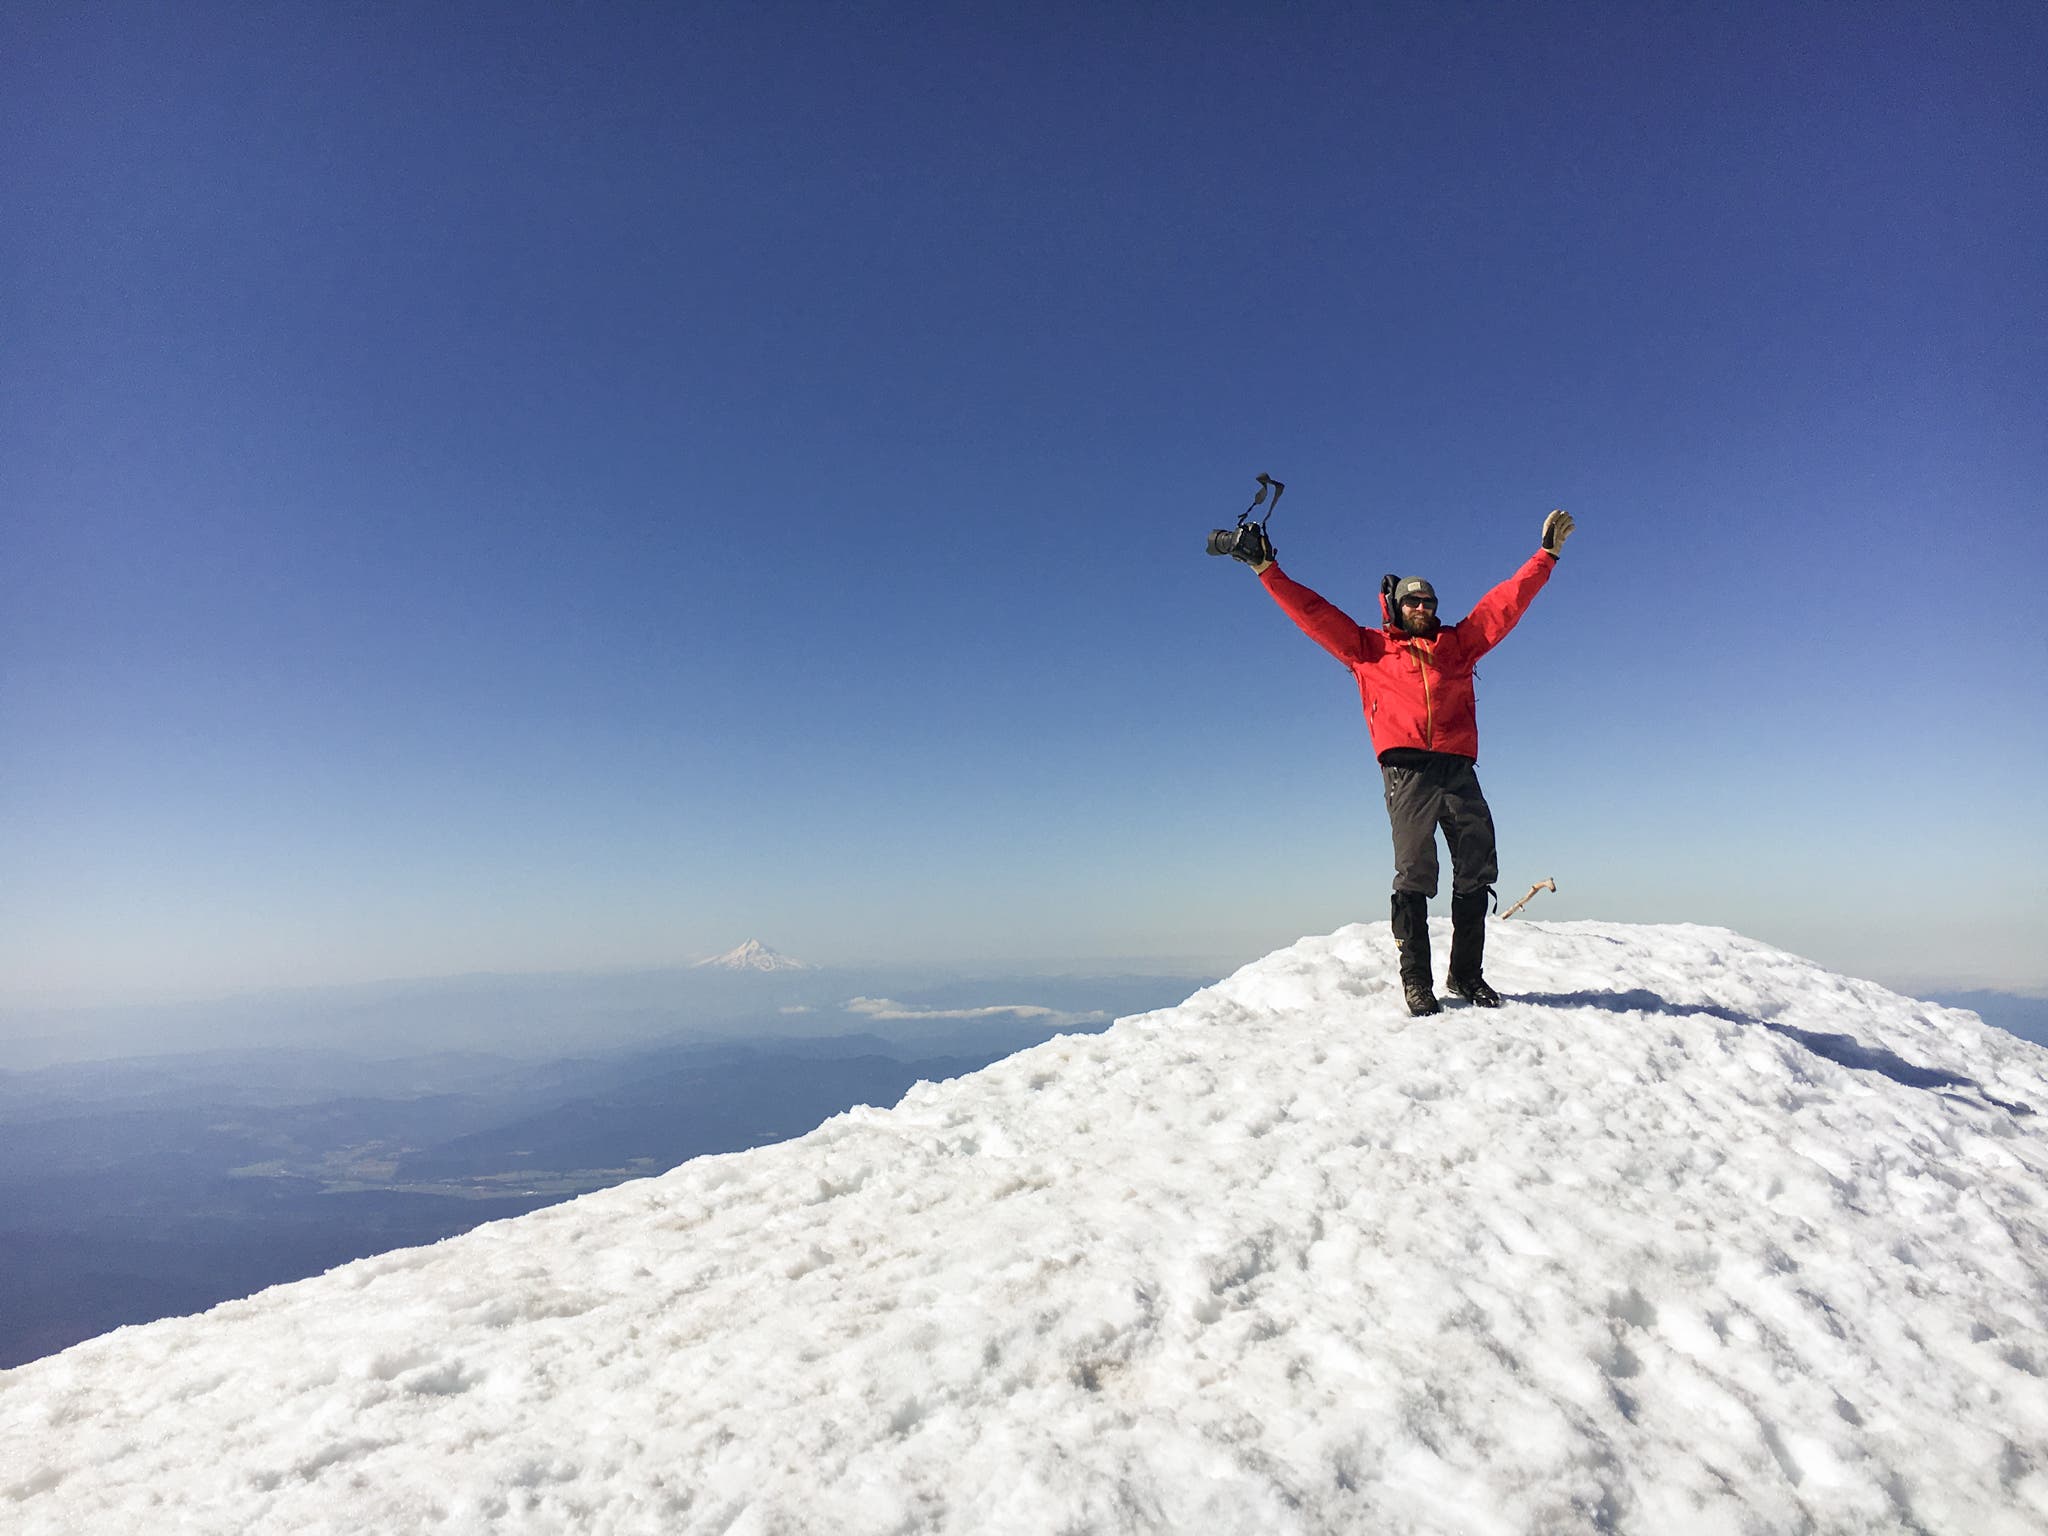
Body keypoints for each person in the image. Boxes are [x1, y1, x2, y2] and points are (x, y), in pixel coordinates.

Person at [1232, 509, 1574, 1016]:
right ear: (1395, 605)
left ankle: (1466, 975)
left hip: (1458, 770)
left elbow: (1505, 604)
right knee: (1415, 874)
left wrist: (1544, 557)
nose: (1422, 606)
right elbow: (1313, 612)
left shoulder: (1457, 645)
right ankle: (1417, 981)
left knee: (1476, 869)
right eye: (1412, 600)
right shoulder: (1368, 649)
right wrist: (1268, 570)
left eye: (1429, 601)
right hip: (1407, 772)